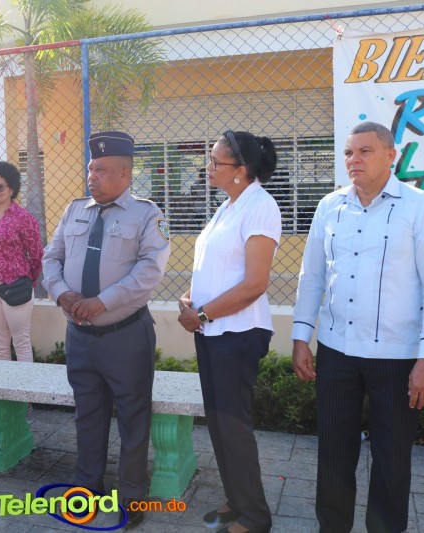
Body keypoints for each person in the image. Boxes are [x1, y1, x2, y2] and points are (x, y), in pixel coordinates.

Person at [291, 122, 424, 533]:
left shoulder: (420, 207)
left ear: (390, 156)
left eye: (365, 151)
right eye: (348, 152)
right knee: (333, 453)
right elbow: (312, 276)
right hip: (336, 352)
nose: (354, 160)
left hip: (397, 357)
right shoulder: (330, 206)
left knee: (392, 458)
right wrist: (301, 337)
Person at [42, 131, 170, 529]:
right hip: (80, 337)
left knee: (133, 418)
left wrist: (102, 302)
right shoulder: (74, 210)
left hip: (125, 337)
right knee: (88, 415)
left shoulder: (146, 215)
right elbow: (51, 257)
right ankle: (87, 489)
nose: (91, 177)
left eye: (100, 170)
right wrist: (62, 293)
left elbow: (149, 271)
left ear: (125, 174)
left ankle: (132, 496)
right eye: (90, 169)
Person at [178, 131, 280, 533]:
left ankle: (254, 517)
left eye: (215, 162)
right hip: (213, 331)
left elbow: (255, 283)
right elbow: (218, 268)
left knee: (233, 427)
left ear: (241, 170)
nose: (208, 167)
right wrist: (191, 298)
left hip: (237, 334)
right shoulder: (229, 205)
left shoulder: (261, 207)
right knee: (220, 424)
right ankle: (237, 502)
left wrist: (202, 314)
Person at [0, 161, 43, 361]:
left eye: (0, 187)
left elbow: (36, 254)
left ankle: (25, 383)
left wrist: (28, 281)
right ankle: (4, 383)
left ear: (11, 189)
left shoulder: (23, 217)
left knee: (21, 342)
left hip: (16, 287)